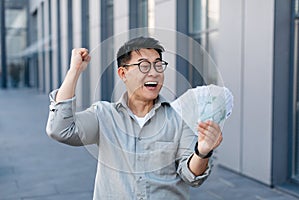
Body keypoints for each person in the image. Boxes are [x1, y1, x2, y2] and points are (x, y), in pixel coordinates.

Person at [46, 37, 223, 200]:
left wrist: (203, 151)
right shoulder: (104, 115)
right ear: (123, 74)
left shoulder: (179, 118)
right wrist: (74, 70)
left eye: (158, 65)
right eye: (144, 66)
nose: (154, 73)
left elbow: (191, 176)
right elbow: (60, 129)